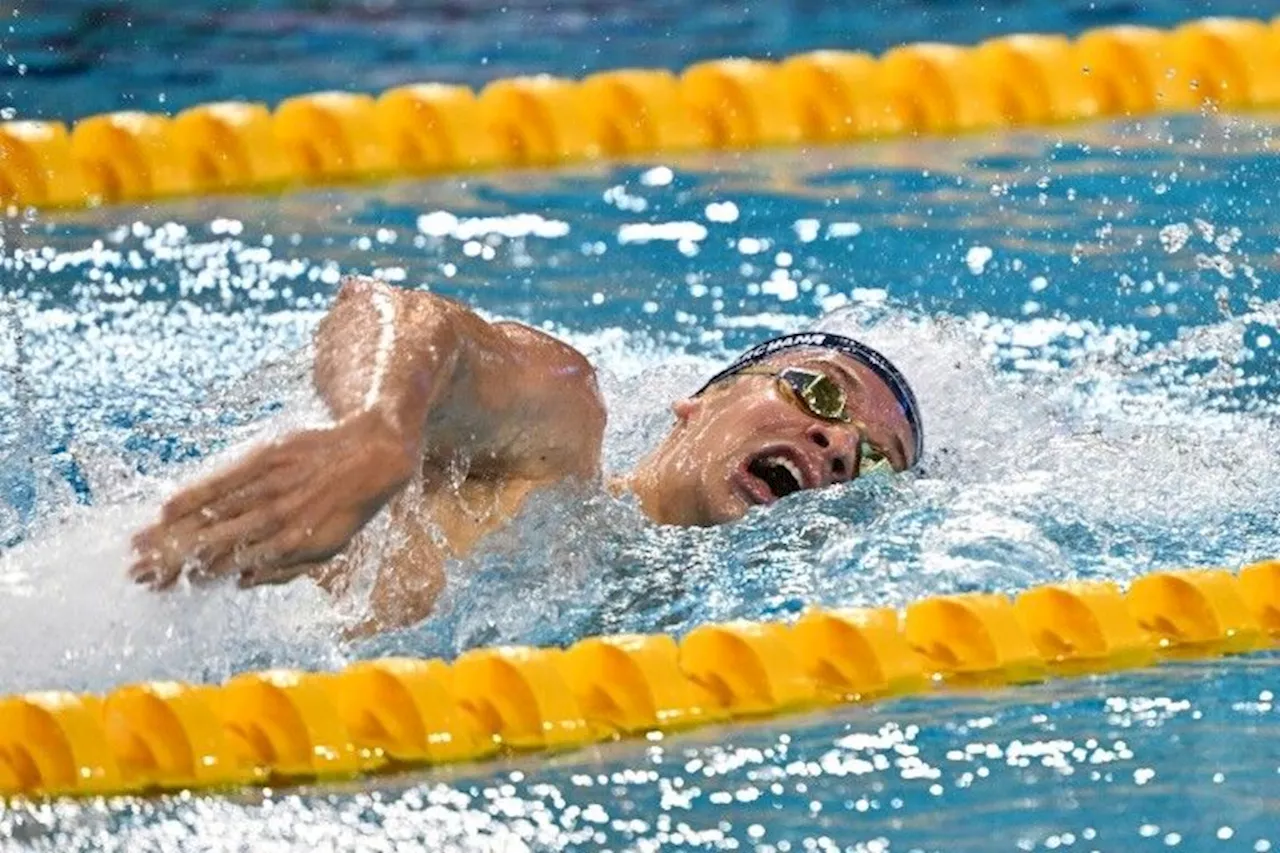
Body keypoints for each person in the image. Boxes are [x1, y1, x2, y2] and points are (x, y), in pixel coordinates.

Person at [129, 275, 924, 632]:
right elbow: (396, 312)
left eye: (875, 458)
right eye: (818, 393)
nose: (840, 442)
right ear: (699, 401)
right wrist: (378, 430)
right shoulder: (556, 445)